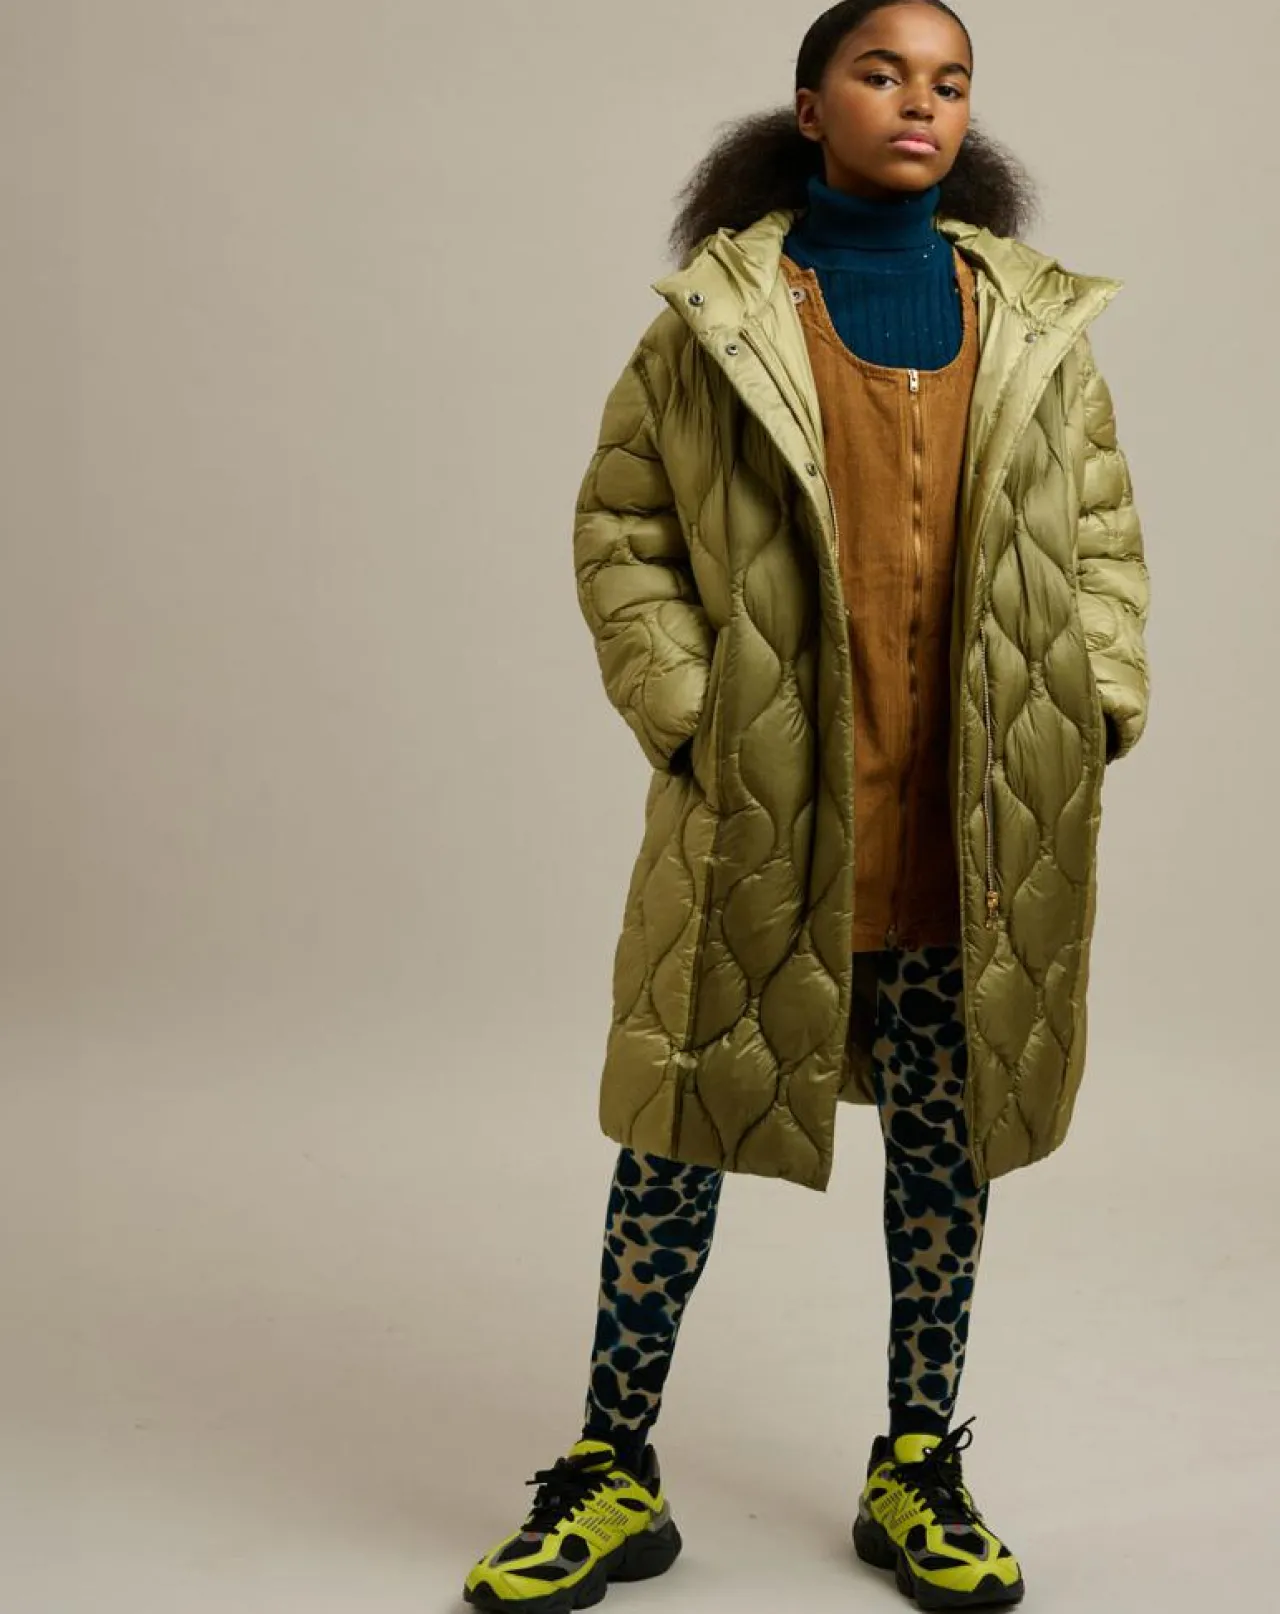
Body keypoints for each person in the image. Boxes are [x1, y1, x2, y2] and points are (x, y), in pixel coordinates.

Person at [463, 2, 1151, 1609]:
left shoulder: (1030, 322)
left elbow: (1104, 532)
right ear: (809, 104)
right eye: (882, 72)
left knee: (943, 1154)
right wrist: (692, 712)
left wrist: (1098, 696)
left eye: (950, 81)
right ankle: (611, 1468)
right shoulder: (717, 320)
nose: (921, 101)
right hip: (768, 816)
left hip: (974, 830)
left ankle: (918, 1463)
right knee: (676, 1134)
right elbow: (623, 524)